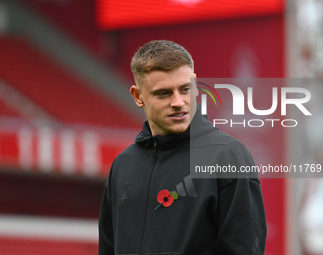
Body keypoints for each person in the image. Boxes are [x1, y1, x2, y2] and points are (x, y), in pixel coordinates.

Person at [98, 40, 267, 255]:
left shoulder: (228, 157)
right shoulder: (122, 166)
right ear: (138, 96)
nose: (178, 102)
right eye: (164, 93)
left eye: (185, 89)